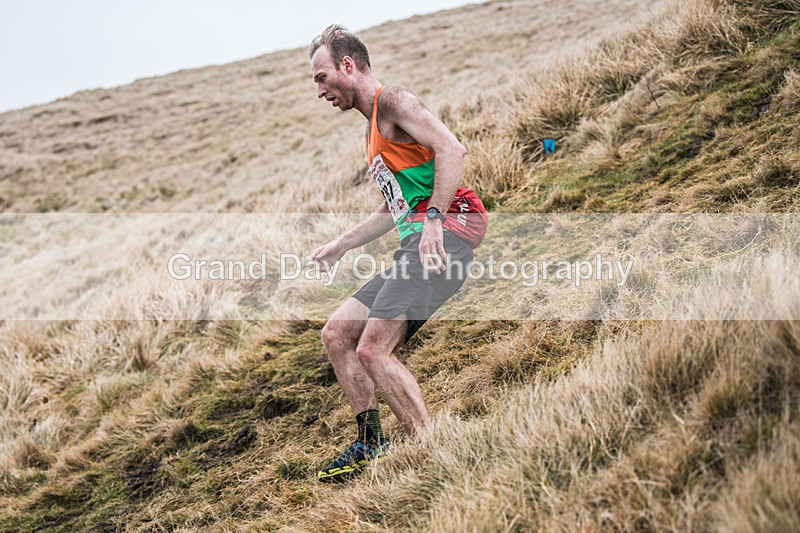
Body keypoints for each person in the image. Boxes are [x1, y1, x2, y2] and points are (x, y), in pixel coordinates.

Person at [306, 24, 487, 483]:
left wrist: (432, 222)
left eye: (321, 77)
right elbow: (394, 207)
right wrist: (342, 244)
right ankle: (371, 440)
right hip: (417, 244)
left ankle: (434, 453)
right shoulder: (373, 130)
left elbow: (453, 148)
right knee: (337, 334)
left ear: (348, 66)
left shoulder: (393, 102)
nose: (320, 89)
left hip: (445, 237)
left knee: (373, 349)